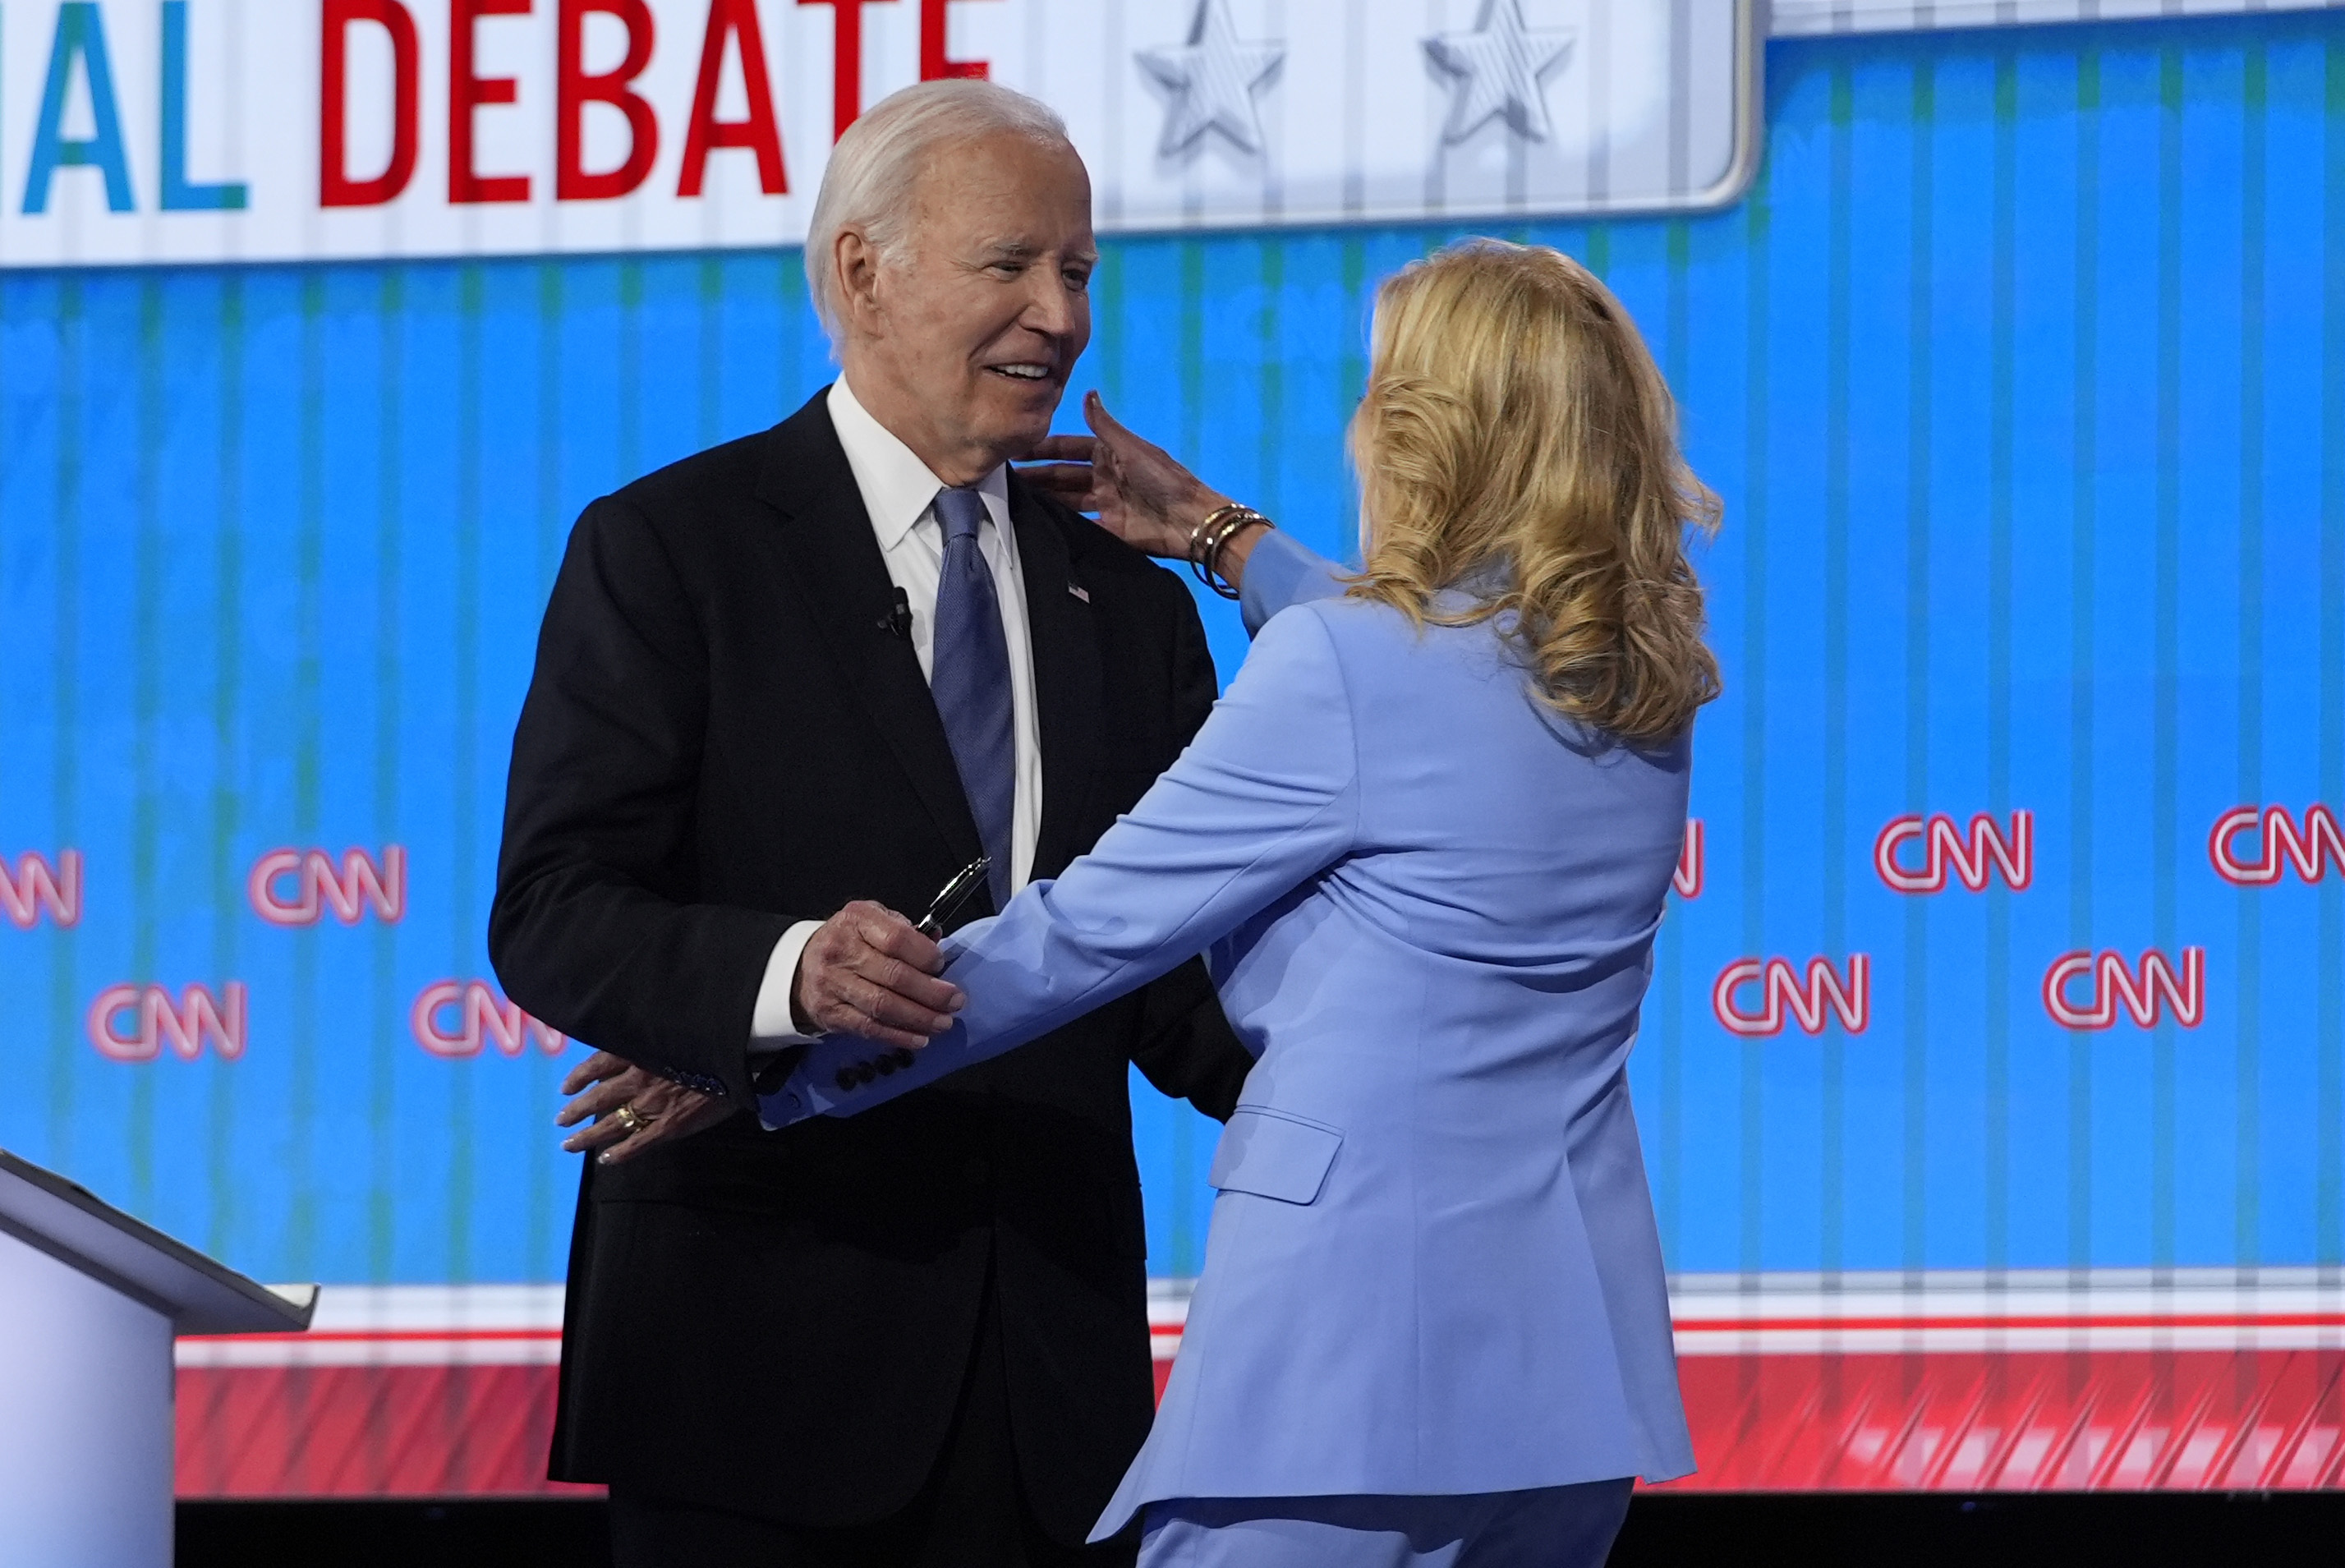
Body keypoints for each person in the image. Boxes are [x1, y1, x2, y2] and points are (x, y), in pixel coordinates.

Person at [752, 240, 1720, 1566]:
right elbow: (1440, 675)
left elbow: (1080, 932)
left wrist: (785, 1054)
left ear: (1421, 430)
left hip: (1350, 1383)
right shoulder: (1634, 691)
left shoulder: (1347, 670)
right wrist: (1229, 538)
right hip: (1561, 1397)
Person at [493, 80, 1254, 1567]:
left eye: (1081, 271)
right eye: (1013, 265)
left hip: (1051, 1398)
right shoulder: (673, 549)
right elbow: (555, 905)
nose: (1062, 315)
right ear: (863, 270)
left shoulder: (1133, 611)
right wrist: (782, 982)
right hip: (754, 1388)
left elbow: (1177, 987)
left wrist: (1415, 1071)